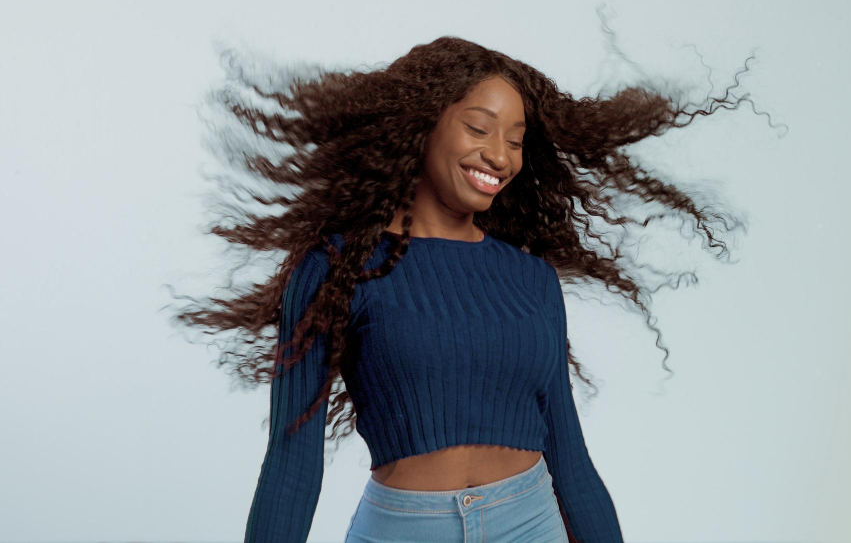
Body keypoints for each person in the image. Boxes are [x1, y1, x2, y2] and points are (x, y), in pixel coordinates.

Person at [166, 34, 753, 542]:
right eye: (479, 128)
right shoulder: (337, 268)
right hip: (403, 528)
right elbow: (292, 464)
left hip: (530, 521)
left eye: (516, 140)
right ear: (423, 125)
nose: (498, 155)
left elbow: (570, 460)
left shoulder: (530, 279)